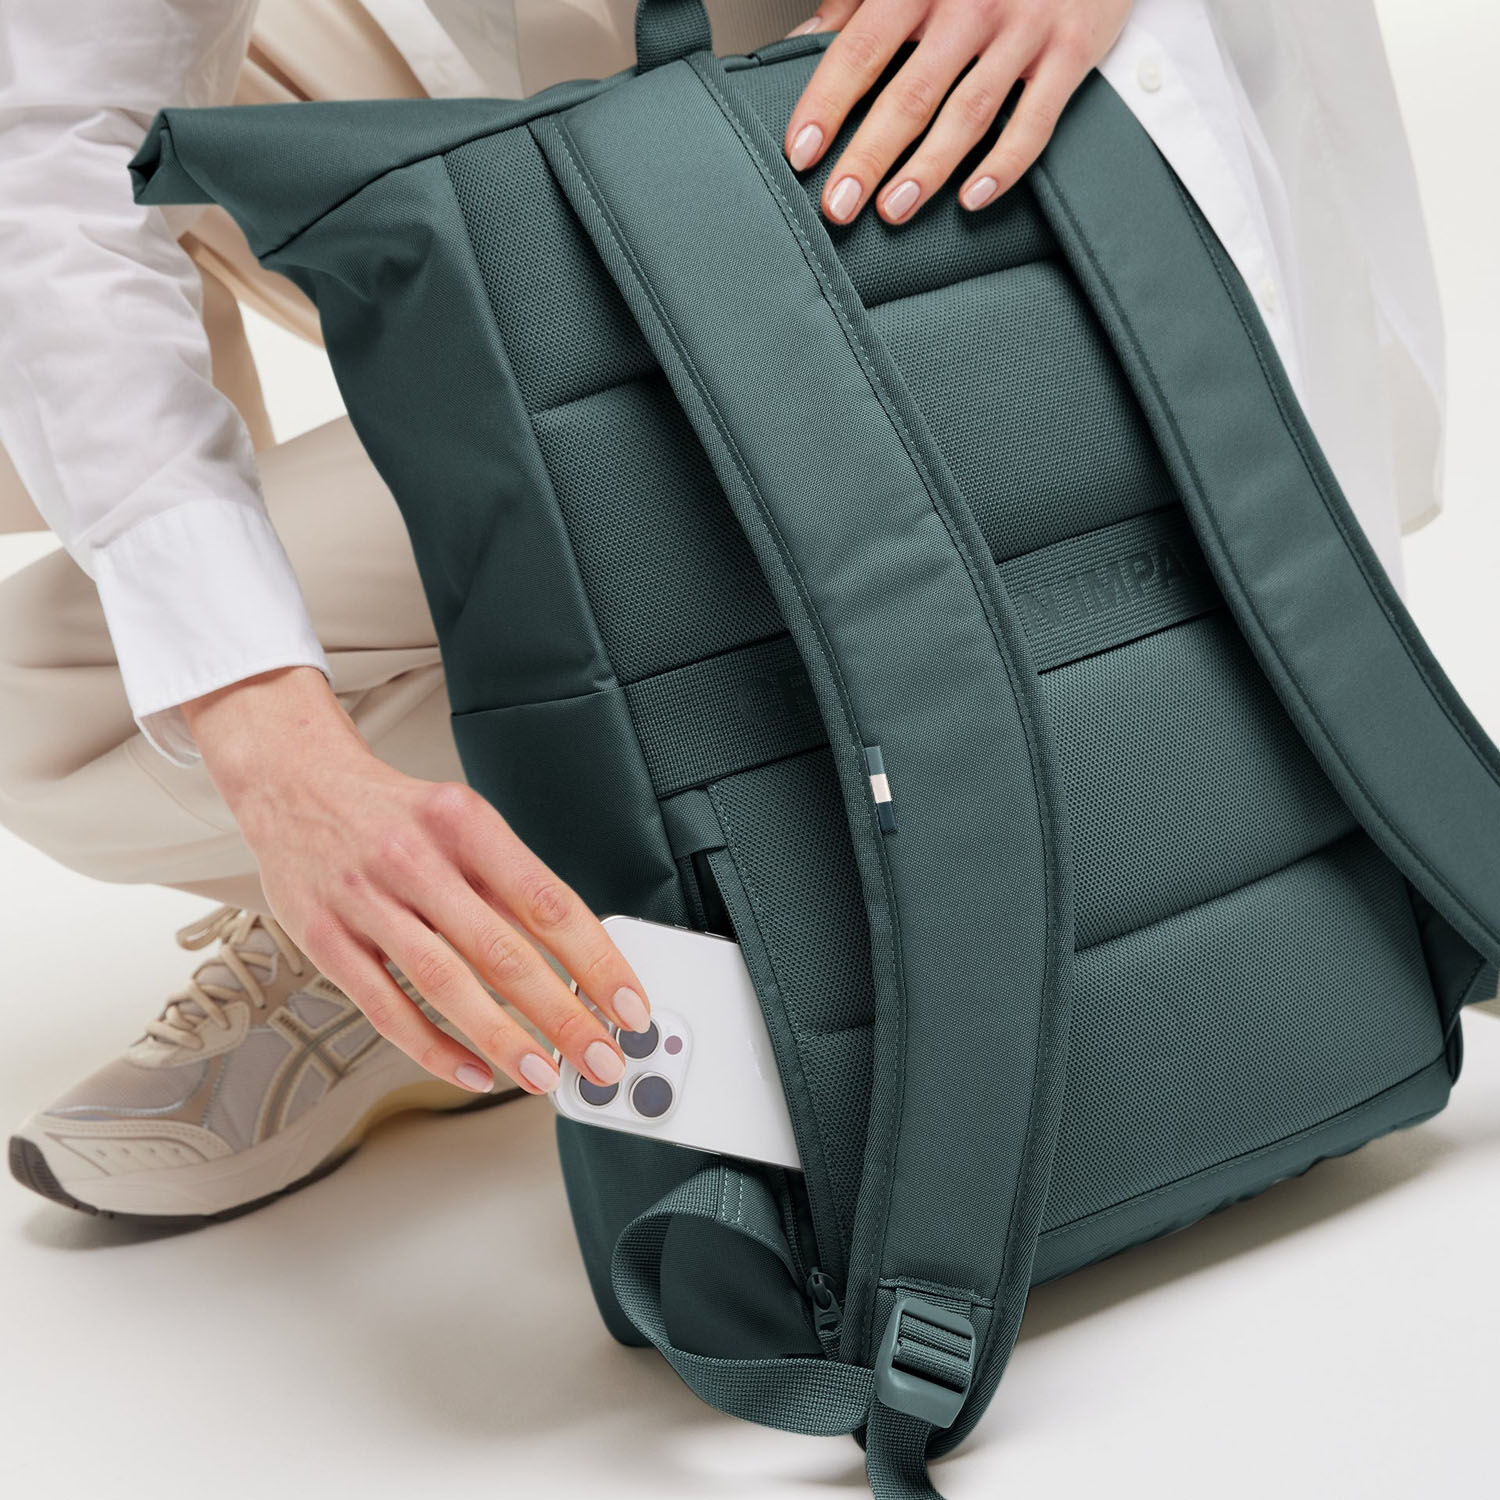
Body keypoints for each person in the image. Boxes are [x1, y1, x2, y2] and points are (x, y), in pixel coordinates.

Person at [0, 0, 1449, 1220]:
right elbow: (55, 142)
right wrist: (289, 764)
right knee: (61, 701)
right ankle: (433, 919)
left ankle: (687, 890)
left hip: (935, 142)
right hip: (596, 116)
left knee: (63, 701)